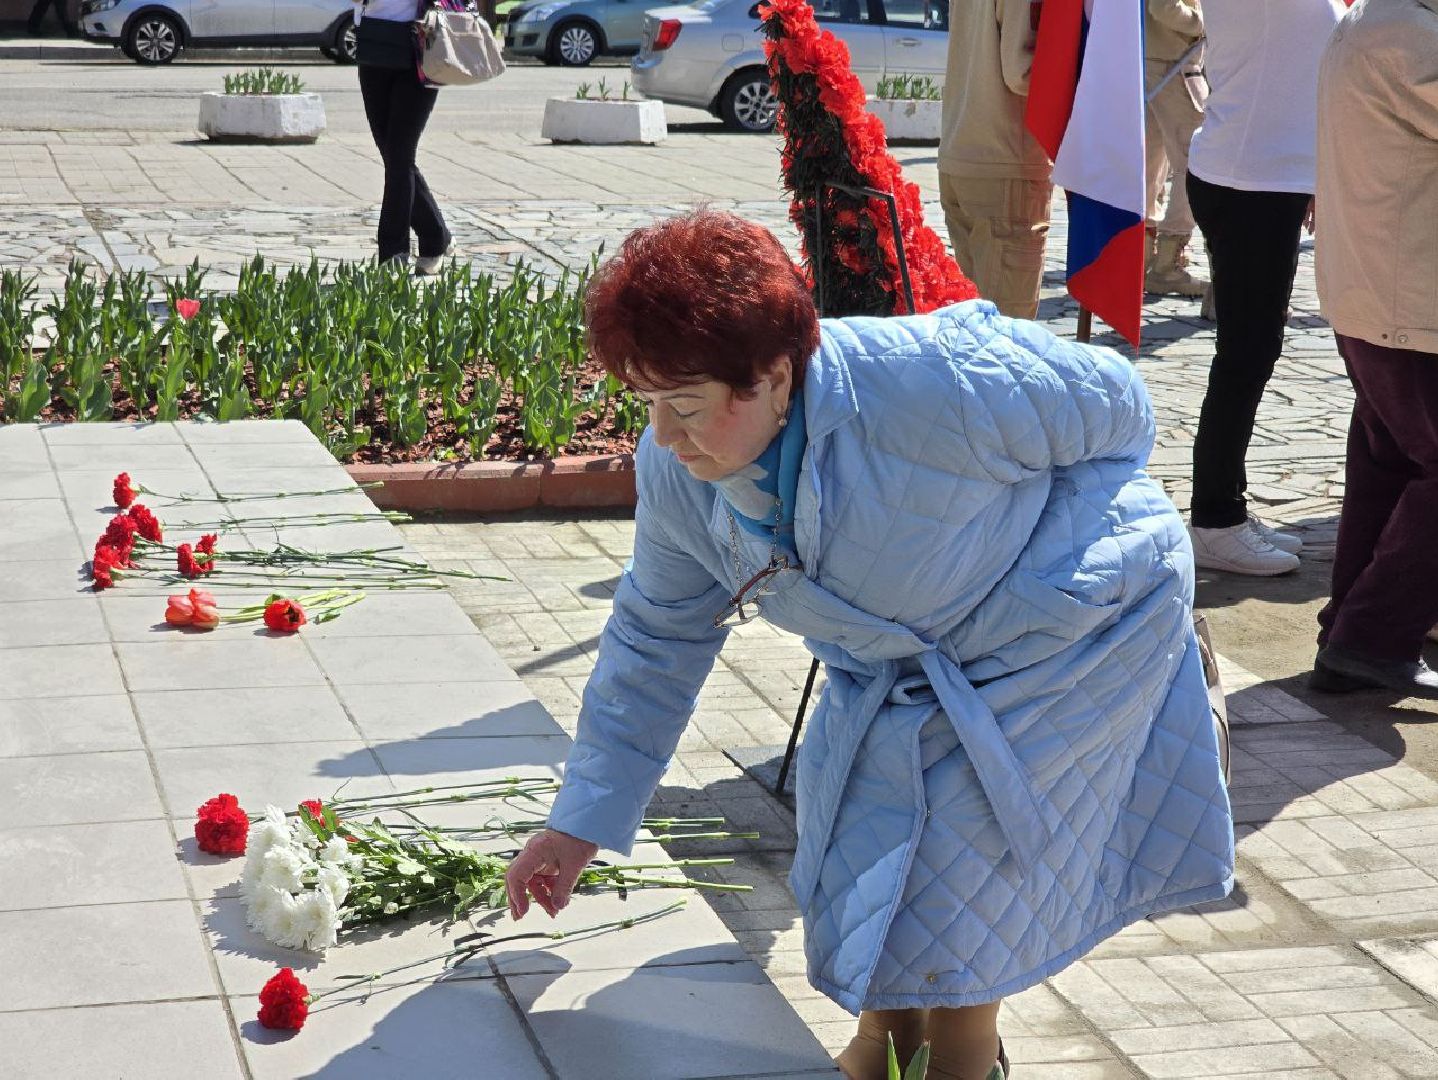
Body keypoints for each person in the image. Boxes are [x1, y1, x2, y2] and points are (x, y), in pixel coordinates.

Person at [503, 211, 1235, 1080]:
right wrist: (578, 823)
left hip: (1078, 617)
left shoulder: (933, 378)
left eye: (686, 406)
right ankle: (888, 1039)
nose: (662, 435)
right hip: (910, 653)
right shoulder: (678, 474)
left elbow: (1119, 408)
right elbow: (653, 642)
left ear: (775, 377)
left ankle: (965, 1056)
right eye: (648, 404)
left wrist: (1036, 549)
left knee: (962, 831)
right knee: (861, 809)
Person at [1183, 0, 1344, 576]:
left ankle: (1225, 508)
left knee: (1249, 355)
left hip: (1263, 177)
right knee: (1245, 357)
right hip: (1250, 182)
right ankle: (1215, 520)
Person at [1310, 0, 1438, 699]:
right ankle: (1369, 637)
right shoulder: (1407, 33)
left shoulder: (1381, 20)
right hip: (1406, 304)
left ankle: (1354, 626)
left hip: (1380, 298)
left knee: (1387, 465)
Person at [938, 0, 1053, 320]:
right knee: (1005, 332)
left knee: (974, 326)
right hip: (1004, 159)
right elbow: (1021, 72)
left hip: (963, 153)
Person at [352, 0, 453, 272]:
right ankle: (436, 236)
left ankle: (393, 253)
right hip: (374, 46)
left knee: (399, 155)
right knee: (393, 155)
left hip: (422, 46)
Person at [1143, 0, 1208, 298]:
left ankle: (1143, 255)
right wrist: (1204, 23)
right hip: (1172, 63)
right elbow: (1164, 7)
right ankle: (1167, 263)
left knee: (1150, 164)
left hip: (1159, 58)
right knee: (1195, 162)